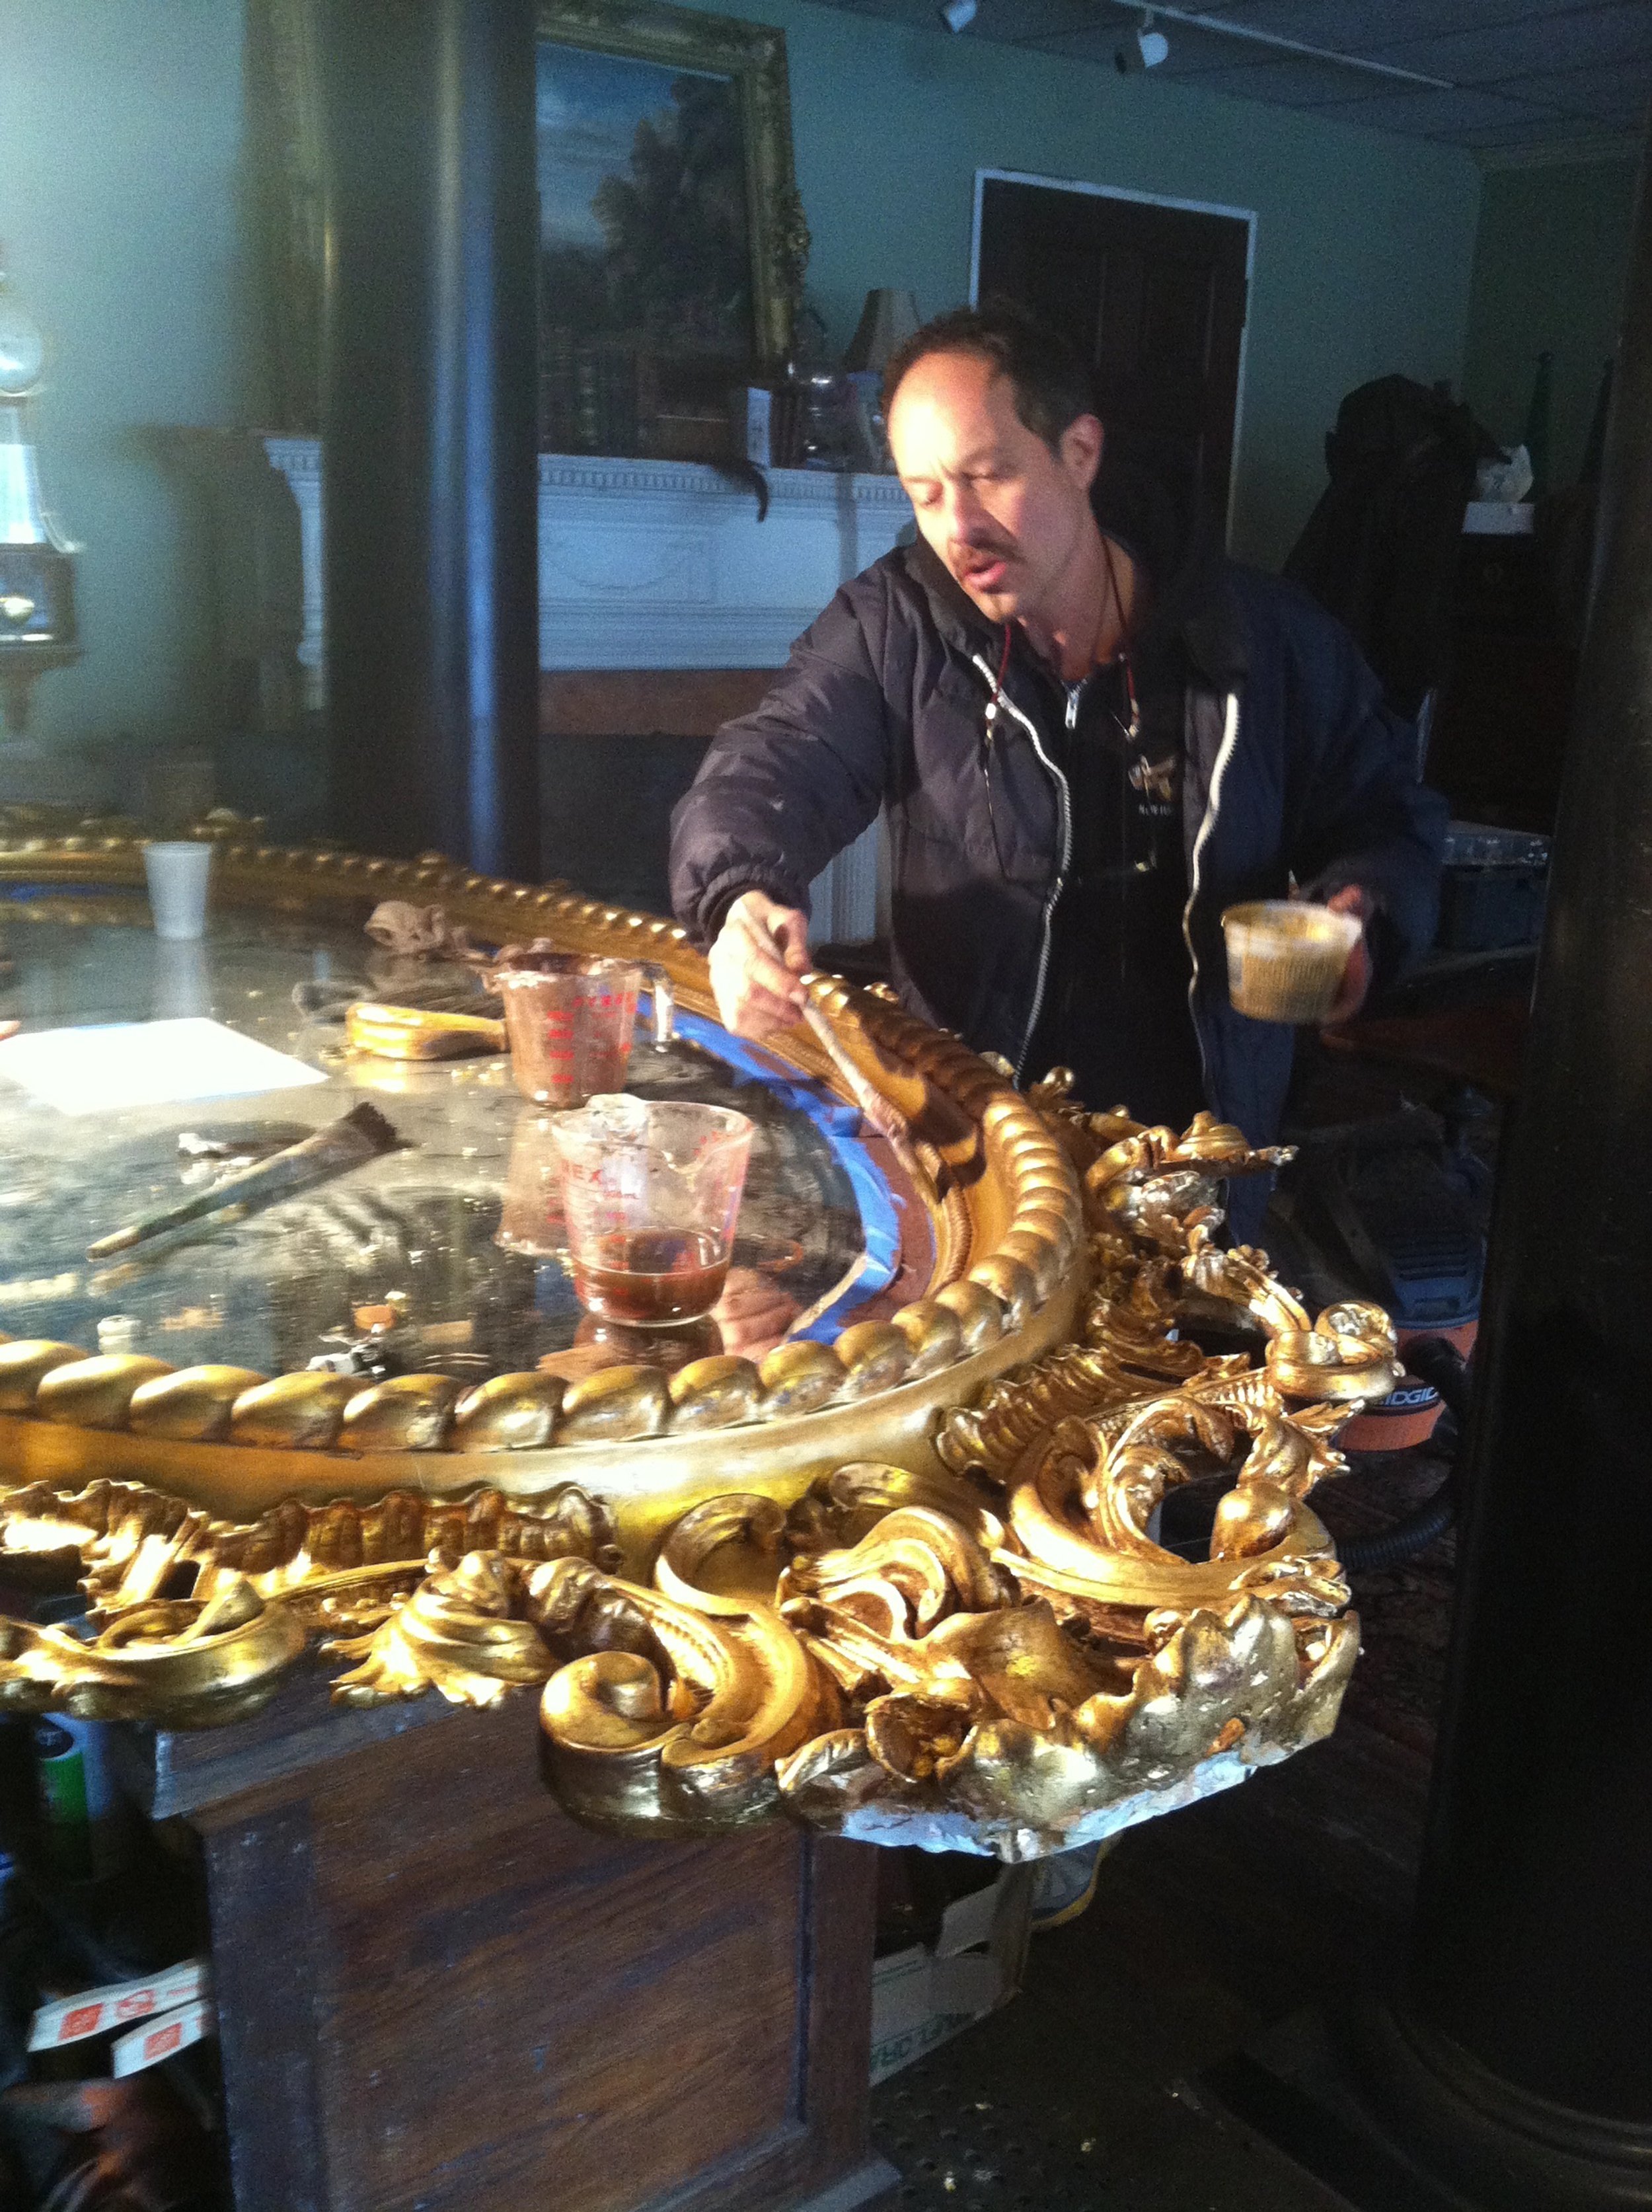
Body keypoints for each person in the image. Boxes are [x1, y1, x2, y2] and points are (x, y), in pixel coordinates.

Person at [669, 301, 1446, 1233]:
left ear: (1080, 452)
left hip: (1195, 1154)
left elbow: (1385, 816)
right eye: (925, 493)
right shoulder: (895, 624)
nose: (958, 528)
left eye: (988, 476)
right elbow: (777, 756)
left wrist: (1362, 914)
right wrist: (741, 894)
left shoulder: (1266, 641)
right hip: (974, 1142)